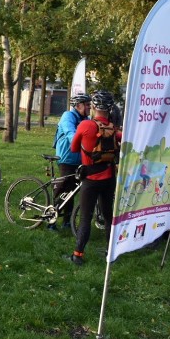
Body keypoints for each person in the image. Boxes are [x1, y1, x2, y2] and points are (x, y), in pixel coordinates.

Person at [69, 90, 121, 265]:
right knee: (108, 217)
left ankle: (78, 255)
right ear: (110, 109)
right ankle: (110, 254)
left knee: (85, 217)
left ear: (93, 107)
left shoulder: (86, 126)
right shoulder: (114, 129)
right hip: (109, 179)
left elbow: (74, 148)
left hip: (90, 180)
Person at [50, 93, 91, 230]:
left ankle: (67, 222)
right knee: (62, 188)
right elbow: (70, 134)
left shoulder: (85, 118)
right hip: (67, 158)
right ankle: (51, 220)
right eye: (86, 105)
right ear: (78, 105)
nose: (89, 107)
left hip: (79, 159)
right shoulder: (68, 116)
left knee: (72, 191)